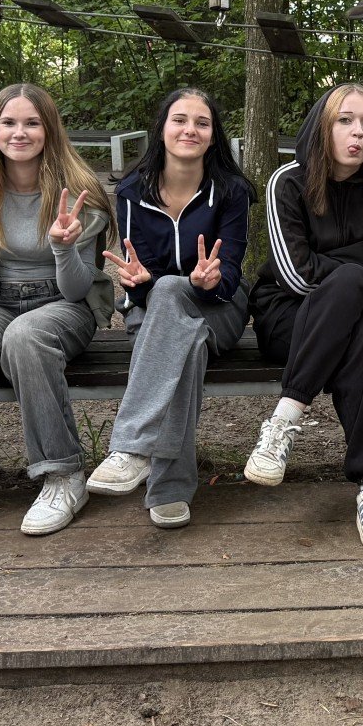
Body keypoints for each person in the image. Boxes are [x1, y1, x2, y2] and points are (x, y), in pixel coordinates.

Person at [0, 84, 114, 538]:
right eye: (8, 123)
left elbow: (76, 289)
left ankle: (63, 475)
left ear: (49, 130)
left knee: (26, 336)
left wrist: (63, 248)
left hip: (64, 304)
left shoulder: (80, 192)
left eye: (32, 123)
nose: (19, 133)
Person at [241, 84, 363, 553]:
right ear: (323, 125)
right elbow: (294, 276)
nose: (358, 133)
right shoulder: (287, 183)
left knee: (354, 291)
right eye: (345, 120)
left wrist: (344, 273)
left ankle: (286, 416)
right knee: (357, 333)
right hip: (288, 312)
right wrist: (357, 263)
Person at [86, 87, 252, 530]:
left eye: (202, 122)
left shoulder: (232, 191)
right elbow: (142, 279)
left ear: (213, 136)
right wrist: (139, 284)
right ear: (162, 129)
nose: (190, 129)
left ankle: (132, 447)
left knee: (174, 293)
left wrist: (209, 281)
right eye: (180, 120)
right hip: (153, 308)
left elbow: (230, 272)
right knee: (184, 338)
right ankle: (169, 488)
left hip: (220, 308)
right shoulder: (131, 191)